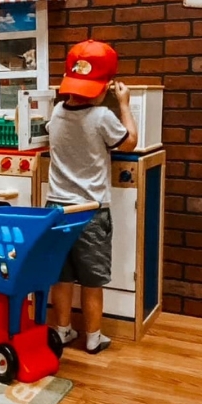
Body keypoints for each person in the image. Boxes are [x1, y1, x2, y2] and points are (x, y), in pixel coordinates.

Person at [46, 40, 138, 354]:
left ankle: (61, 329)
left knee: (61, 275)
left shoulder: (57, 112)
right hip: (91, 212)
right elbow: (129, 143)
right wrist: (123, 103)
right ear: (104, 88)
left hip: (56, 209)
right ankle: (94, 337)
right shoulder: (102, 117)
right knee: (92, 280)